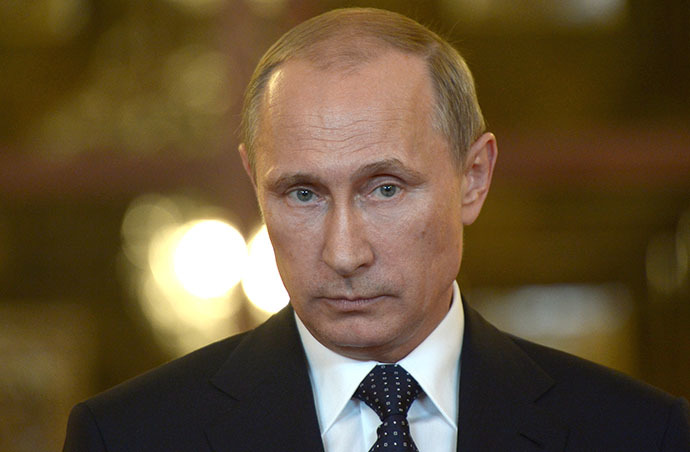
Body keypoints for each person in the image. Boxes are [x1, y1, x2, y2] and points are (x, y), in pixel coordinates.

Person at [63, 7, 690, 452]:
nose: (343, 252)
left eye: (385, 189)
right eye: (302, 194)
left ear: (473, 178)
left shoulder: (636, 433)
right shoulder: (129, 436)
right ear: (255, 184)